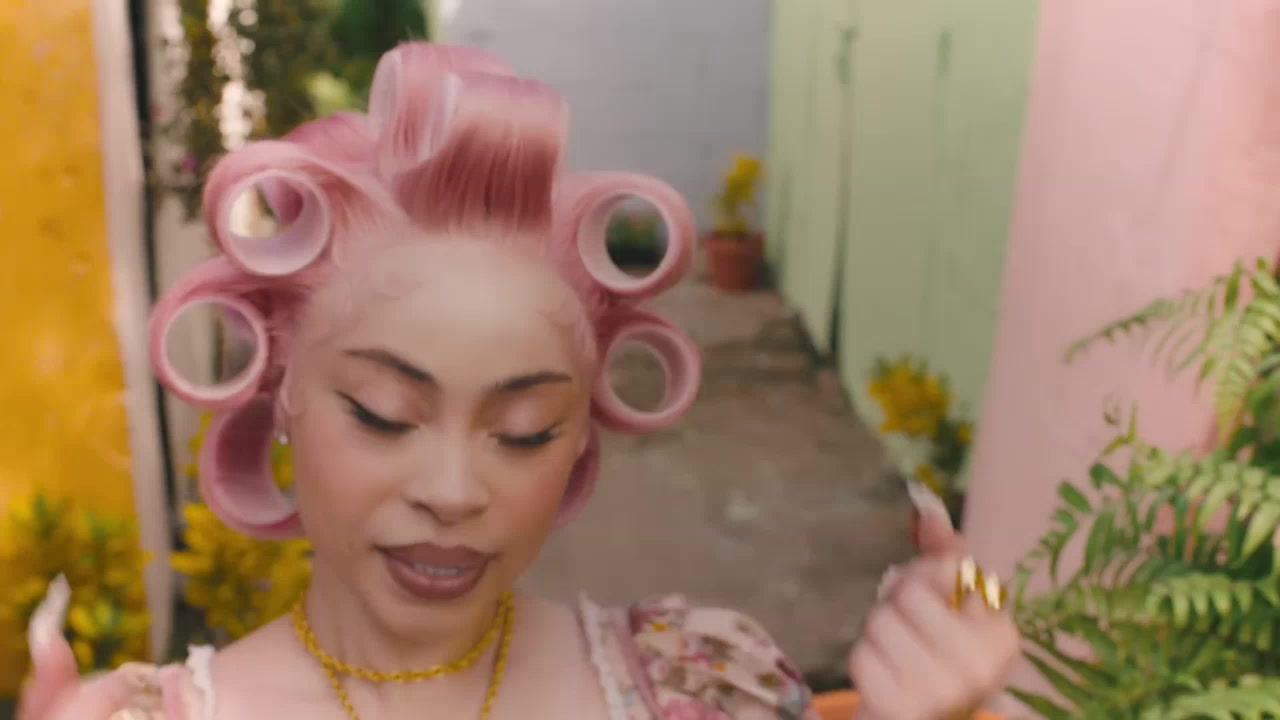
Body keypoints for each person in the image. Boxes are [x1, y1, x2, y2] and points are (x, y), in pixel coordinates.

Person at [18, 43, 1020, 720]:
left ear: (581, 435)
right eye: (384, 415)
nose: (454, 493)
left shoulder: (694, 682)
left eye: (526, 428)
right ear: (281, 390)